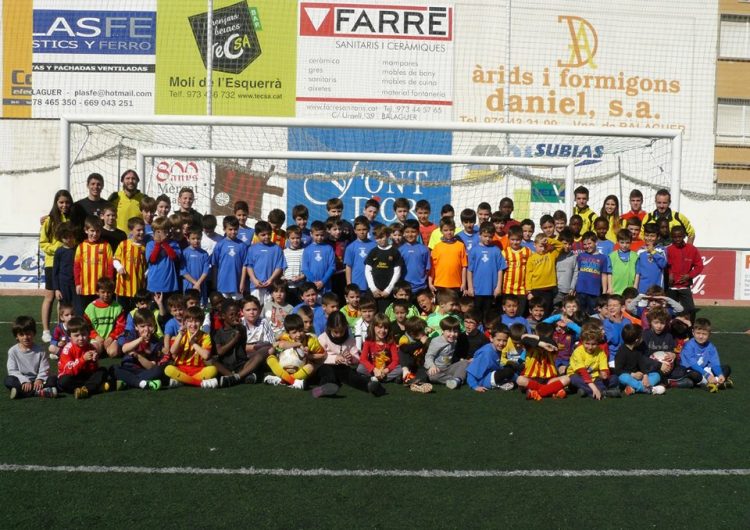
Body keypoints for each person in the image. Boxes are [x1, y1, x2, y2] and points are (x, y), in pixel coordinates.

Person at [312, 312, 386, 398]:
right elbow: (318, 357)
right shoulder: (323, 338)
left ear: (346, 327)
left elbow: (357, 359)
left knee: (351, 375)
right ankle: (322, 389)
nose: (339, 335)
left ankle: (369, 385)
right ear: (329, 328)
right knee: (328, 374)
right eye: (336, 332)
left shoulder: (350, 339)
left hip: (342, 366)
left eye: (342, 331)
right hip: (324, 366)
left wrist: (351, 358)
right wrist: (334, 358)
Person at [40, 190, 74, 341]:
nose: (64, 205)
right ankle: (46, 330)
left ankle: (62, 330)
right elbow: (43, 243)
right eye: (61, 202)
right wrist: (58, 250)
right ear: (56, 203)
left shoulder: (72, 219)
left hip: (67, 264)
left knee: (62, 299)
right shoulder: (49, 220)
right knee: (50, 296)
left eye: (67, 202)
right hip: (51, 263)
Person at [213, 299, 269, 387]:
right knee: (209, 360)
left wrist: (238, 330)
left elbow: (241, 331)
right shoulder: (218, 333)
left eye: (237, 314)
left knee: (262, 353)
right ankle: (238, 376)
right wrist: (235, 339)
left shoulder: (241, 328)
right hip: (226, 366)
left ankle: (236, 377)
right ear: (223, 316)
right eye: (231, 314)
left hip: (241, 365)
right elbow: (220, 352)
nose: (235, 317)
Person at [265, 313, 325, 389]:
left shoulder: (311, 340)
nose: (298, 334)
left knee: (311, 367)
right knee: (270, 359)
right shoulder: (285, 337)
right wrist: (298, 344)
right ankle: (294, 382)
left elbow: (322, 355)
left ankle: (282, 379)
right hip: (284, 366)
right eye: (294, 332)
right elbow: (281, 344)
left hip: (301, 369)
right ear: (288, 333)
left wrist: (309, 356)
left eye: (300, 331)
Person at [164, 306, 218, 388]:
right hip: (181, 368)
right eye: (190, 321)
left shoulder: (205, 336)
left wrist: (193, 343)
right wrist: (180, 335)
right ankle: (199, 383)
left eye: (196, 321)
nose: (193, 325)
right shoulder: (182, 334)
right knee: (168, 369)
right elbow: (172, 351)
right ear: (185, 322)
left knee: (213, 370)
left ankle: (182, 380)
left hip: (198, 369)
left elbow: (206, 356)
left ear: (201, 322)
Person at [113, 309, 167, 391]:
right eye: (142, 326)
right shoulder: (133, 334)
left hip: (142, 371)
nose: (146, 329)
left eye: (149, 325)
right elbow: (124, 349)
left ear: (154, 325)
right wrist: (140, 339)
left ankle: (131, 382)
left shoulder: (155, 342)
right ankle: (140, 383)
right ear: (136, 327)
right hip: (128, 368)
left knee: (159, 371)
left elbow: (151, 366)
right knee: (114, 369)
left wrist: (138, 356)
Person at [57, 317, 110, 399]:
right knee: (63, 381)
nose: (81, 338)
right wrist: (83, 360)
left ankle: (86, 390)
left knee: (102, 370)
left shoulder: (90, 347)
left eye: (83, 334)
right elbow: (68, 371)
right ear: (70, 336)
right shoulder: (67, 349)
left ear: (88, 334)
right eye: (76, 335)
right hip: (73, 376)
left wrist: (93, 361)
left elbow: (92, 370)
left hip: (85, 376)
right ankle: (95, 388)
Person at [6, 316, 57, 399]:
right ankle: (40, 392)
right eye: (21, 335)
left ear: (34, 333)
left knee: (53, 379)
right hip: (21, 380)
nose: (25, 337)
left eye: (28, 333)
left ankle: (21, 393)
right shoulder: (13, 351)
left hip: (38, 381)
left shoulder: (41, 350)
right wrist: (24, 381)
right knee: (8, 380)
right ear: (16, 336)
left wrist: (40, 379)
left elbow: (44, 368)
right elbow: (12, 370)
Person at [515, 323, 570, 400]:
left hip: (549, 379)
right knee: (520, 380)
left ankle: (539, 392)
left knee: (567, 378)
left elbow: (551, 343)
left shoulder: (553, 347)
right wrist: (541, 343)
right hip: (532, 378)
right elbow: (523, 338)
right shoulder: (531, 346)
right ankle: (551, 390)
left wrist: (540, 340)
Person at [677, 318, 732, 392]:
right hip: (691, 370)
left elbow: (715, 364)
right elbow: (693, 364)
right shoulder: (688, 345)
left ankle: (715, 381)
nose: (700, 336)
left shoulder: (711, 347)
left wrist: (720, 374)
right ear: (693, 332)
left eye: (704, 334)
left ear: (709, 334)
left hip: (705, 370)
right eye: (698, 333)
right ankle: (714, 382)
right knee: (694, 375)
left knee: (726, 368)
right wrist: (707, 375)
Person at [614, 324, 667, 395]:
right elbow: (618, 370)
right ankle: (647, 389)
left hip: (640, 377)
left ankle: (634, 388)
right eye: (641, 336)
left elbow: (642, 363)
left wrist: (645, 376)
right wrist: (632, 374)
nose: (643, 338)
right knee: (623, 377)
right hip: (629, 377)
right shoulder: (621, 352)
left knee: (656, 375)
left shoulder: (638, 349)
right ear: (637, 340)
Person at [74, 216, 114, 311]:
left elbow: (110, 266)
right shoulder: (81, 246)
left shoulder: (106, 246)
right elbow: (77, 267)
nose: (95, 234)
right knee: (85, 313)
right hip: (85, 287)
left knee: (100, 311)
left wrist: (108, 283)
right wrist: (78, 284)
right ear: (86, 230)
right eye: (92, 231)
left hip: (101, 288)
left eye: (97, 231)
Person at [567, 327, 620, 399]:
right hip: (580, 377)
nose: (590, 347)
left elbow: (604, 368)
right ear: (582, 342)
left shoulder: (601, 352)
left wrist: (605, 374)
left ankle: (586, 390)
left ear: (598, 343)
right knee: (573, 379)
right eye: (587, 344)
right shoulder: (578, 352)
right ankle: (602, 392)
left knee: (614, 378)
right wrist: (594, 388)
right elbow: (582, 372)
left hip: (595, 378)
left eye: (593, 344)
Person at [467, 222, 506, 318]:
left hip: (491, 290)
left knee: (488, 314)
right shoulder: (474, 250)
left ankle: (486, 332)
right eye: (485, 236)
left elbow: (500, 269)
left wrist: (498, 287)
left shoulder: (496, 250)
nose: (488, 239)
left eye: (490, 236)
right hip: (477, 290)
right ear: (479, 235)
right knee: (476, 313)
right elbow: (469, 270)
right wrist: (470, 287)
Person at [243, 220, 286, 307]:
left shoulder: (276, 249)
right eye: (263, 235)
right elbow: (249, 266)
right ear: (257, 235)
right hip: (255, 286)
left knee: (269, 310)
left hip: (271, 287)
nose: (267, 236)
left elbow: (279, 266)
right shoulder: (252, 249)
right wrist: (254, 280)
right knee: (255, 308)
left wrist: (271, 279)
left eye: (269, 234)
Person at [666, 226, 702, 322]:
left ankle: (690, 331)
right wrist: (669, 273)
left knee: (690, 310)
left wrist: (689, 275)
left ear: (684, 236)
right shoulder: (668, 250)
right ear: (671, 237)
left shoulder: (692, 249)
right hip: (671, 287)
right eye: (675, 237)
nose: (677, 239)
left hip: (684, 286)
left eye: (680, 236)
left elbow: (699, 266)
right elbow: (665, 265)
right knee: (669, 311)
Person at [83, 277, 126, 358]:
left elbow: (121, 326)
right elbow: (86, 327)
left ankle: (110, 349)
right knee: (93, 353)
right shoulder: (90, 308)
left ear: (113, 292)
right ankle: (101, 349)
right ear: (97, 292)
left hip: (112, 338)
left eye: (108, 292)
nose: (106, 295)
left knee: (113, 353)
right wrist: (96, 336)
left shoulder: (118, 307)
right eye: (103, 292)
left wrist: (111, 337)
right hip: (96, 338)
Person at [365, 225, 403, 312]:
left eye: (382, 237)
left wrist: (388, 290)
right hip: (374, 292)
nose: (380, 240)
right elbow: (367, 271)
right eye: (377, 238)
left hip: (387, 293)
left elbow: (397, 272)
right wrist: (373, 289)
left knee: (385, 315)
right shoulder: (373, 252)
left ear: (388, 236)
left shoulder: (394, 251)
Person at [114, 217, 148, 314]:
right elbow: (115, 259)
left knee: (136, 311)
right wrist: (119, 267)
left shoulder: (145, 247)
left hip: (138, 286)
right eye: (138, 230)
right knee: (122, 311)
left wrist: (146, 272)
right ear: (131, 230)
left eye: (143, 230)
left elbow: (148, 264)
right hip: (123, 286)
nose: (141, 232)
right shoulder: (123, 244)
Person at [467, 326, 516, 392]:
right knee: (508, 372)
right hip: (483, 380)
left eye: (505, 341)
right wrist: (475, 386)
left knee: (511, 366)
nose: (501, 343)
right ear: (491, 338)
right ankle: (503, 383)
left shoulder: (497, 349)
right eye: (499, 340)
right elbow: (471, 372)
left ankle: (509, 382)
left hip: (491, 374)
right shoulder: (486, 353)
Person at [525, 234, 564, 317]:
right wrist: (528, 291)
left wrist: (548, 240)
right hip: (536, 289)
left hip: (548, 289)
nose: (542, 249)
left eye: (544, 246)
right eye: (540, 246)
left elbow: (560, 245)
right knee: (536, 310)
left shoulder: (551, 254)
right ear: (534, 245)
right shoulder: (531, 258)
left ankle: (546, 328)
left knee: (546, 310)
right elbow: (528, 275)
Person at [424, 316, 468, 389]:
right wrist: (432, 366)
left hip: (448, 368)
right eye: (449, 331)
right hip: (437, 369)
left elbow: (451, 356)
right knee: (432, 376)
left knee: (465, 362)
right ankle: (456, 379)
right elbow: (429, 356)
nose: (452, 334)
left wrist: (459, 360)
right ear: (442, 331)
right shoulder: (436, 341)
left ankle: (456, 380)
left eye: (455, 331)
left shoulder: (455, 341)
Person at [575, 231, 611, 316]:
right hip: (580, 291)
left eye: (589, 243)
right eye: (585, 244)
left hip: (594, 292)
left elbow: (604, 275)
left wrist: (604, 291)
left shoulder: (603, 258)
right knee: (580, 314)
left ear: (596, 242)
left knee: (594, 315)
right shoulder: (581, 256)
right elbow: (577, 272)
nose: (587, 246)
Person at [357, 313, 400, 383]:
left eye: (385, 328)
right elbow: (363, 359)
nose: (382, 330)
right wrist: (374, 370)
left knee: (400, 369)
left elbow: (396, 360)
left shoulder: (391, 342)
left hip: (386, 369)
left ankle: (376, 379)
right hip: (374, 368)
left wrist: (386, 370)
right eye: (380, 327)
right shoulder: (368, 341)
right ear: (373, 327)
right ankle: (383, 378)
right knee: (360, 368)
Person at [429, 217, 467, 294]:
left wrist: (463, 283)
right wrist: (430, 283)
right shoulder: (437, 247)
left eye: (451, 230)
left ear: (454, 230)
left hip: (456, 284)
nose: (449, 232)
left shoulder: (461, 246)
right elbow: (432, 267)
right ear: (441, 231)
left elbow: (464, 266)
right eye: (445, 230)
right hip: (439, 284)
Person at [212, 216, 247, 299]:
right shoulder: (219, 245)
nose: (233, 232)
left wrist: (242, 282)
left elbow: (245, 266)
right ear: (224, 229)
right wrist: (214, 282)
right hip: (222, 283)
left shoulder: (242, 246)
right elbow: (215, 265)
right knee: (223, 308)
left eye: (235, 229)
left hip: (237, 284)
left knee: (237, 308)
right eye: (230, 229)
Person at [145, 217, 181, 297]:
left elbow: (175, 258)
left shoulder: (173, 243)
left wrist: (164, 243)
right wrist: (158, 244)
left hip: (170, 284)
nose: (160, 234)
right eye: (158, 231)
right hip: (155, 283)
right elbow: (152, 260)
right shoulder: (150, 244)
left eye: (164, 231)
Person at [502, 226, 532, 315]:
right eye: (512, 239)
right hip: (507, 289)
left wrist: (529, 290)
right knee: (508, 314)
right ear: (508, 239)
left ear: (521, 239)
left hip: (521, 289)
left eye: (518, 240)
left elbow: (530, 270)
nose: (515, 242)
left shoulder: (527, 251)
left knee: (519, 313)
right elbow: (501, 271)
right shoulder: (504, 252)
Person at [302, 220, 336, 293]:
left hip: (326, 286)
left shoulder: (329, 248)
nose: (319, 237)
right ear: (311, 234)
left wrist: (323, 281)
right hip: (311, 286)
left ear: (325, 234)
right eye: (317, 235)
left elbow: (332, 267)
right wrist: (314, 281)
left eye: (322, 235)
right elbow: (305, 268)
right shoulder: (307, 250)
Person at [344, 216, 376, 293]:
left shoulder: (375, 245)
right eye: (359, 230)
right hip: (356, 284)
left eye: (364, 229)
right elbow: (348, 266)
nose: (362, 232)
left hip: (372, 284)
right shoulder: (351, 247)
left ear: (368, 229)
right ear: (355, 231)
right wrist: (349, 283)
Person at [399, 219, 431, 293]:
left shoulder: (424, 249)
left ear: (418, 232)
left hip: (421, 287)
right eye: (407, 232)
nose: (410, 235)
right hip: (405, 288)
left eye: (413, 232)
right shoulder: (400, 250)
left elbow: (427, 269)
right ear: (403, 233)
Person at [634, 223, 667, 294]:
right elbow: (637, 271)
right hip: (642, 290)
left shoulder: (661, 250)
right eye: (647, 235)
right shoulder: (640, 251)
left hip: (657, 290)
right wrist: (635, 287)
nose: (649, 238)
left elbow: (663, 264)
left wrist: (653, 251)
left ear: (658, 237)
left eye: (652, 236)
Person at [180, 227, 210, 305]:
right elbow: (183, 271)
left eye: (198, 238)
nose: (196, 241)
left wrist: (198, 283)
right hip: (188, 285)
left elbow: (205, 271)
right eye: (193, 238)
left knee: (201, 305)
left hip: (201, 286)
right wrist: (195, 283)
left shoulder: (204, 254)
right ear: (188, 239)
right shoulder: (184, 253)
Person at [609, 229, 637, 295]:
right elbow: (609, 273)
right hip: (615, 290)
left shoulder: (635, 256)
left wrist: (635, 286)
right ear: (618, 242)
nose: (624, 245)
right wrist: (610, 287)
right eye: (622, 242)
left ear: (631, 242)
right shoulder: (612, 256)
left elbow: (637, 273)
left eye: (627, 242)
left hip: (629, 291)